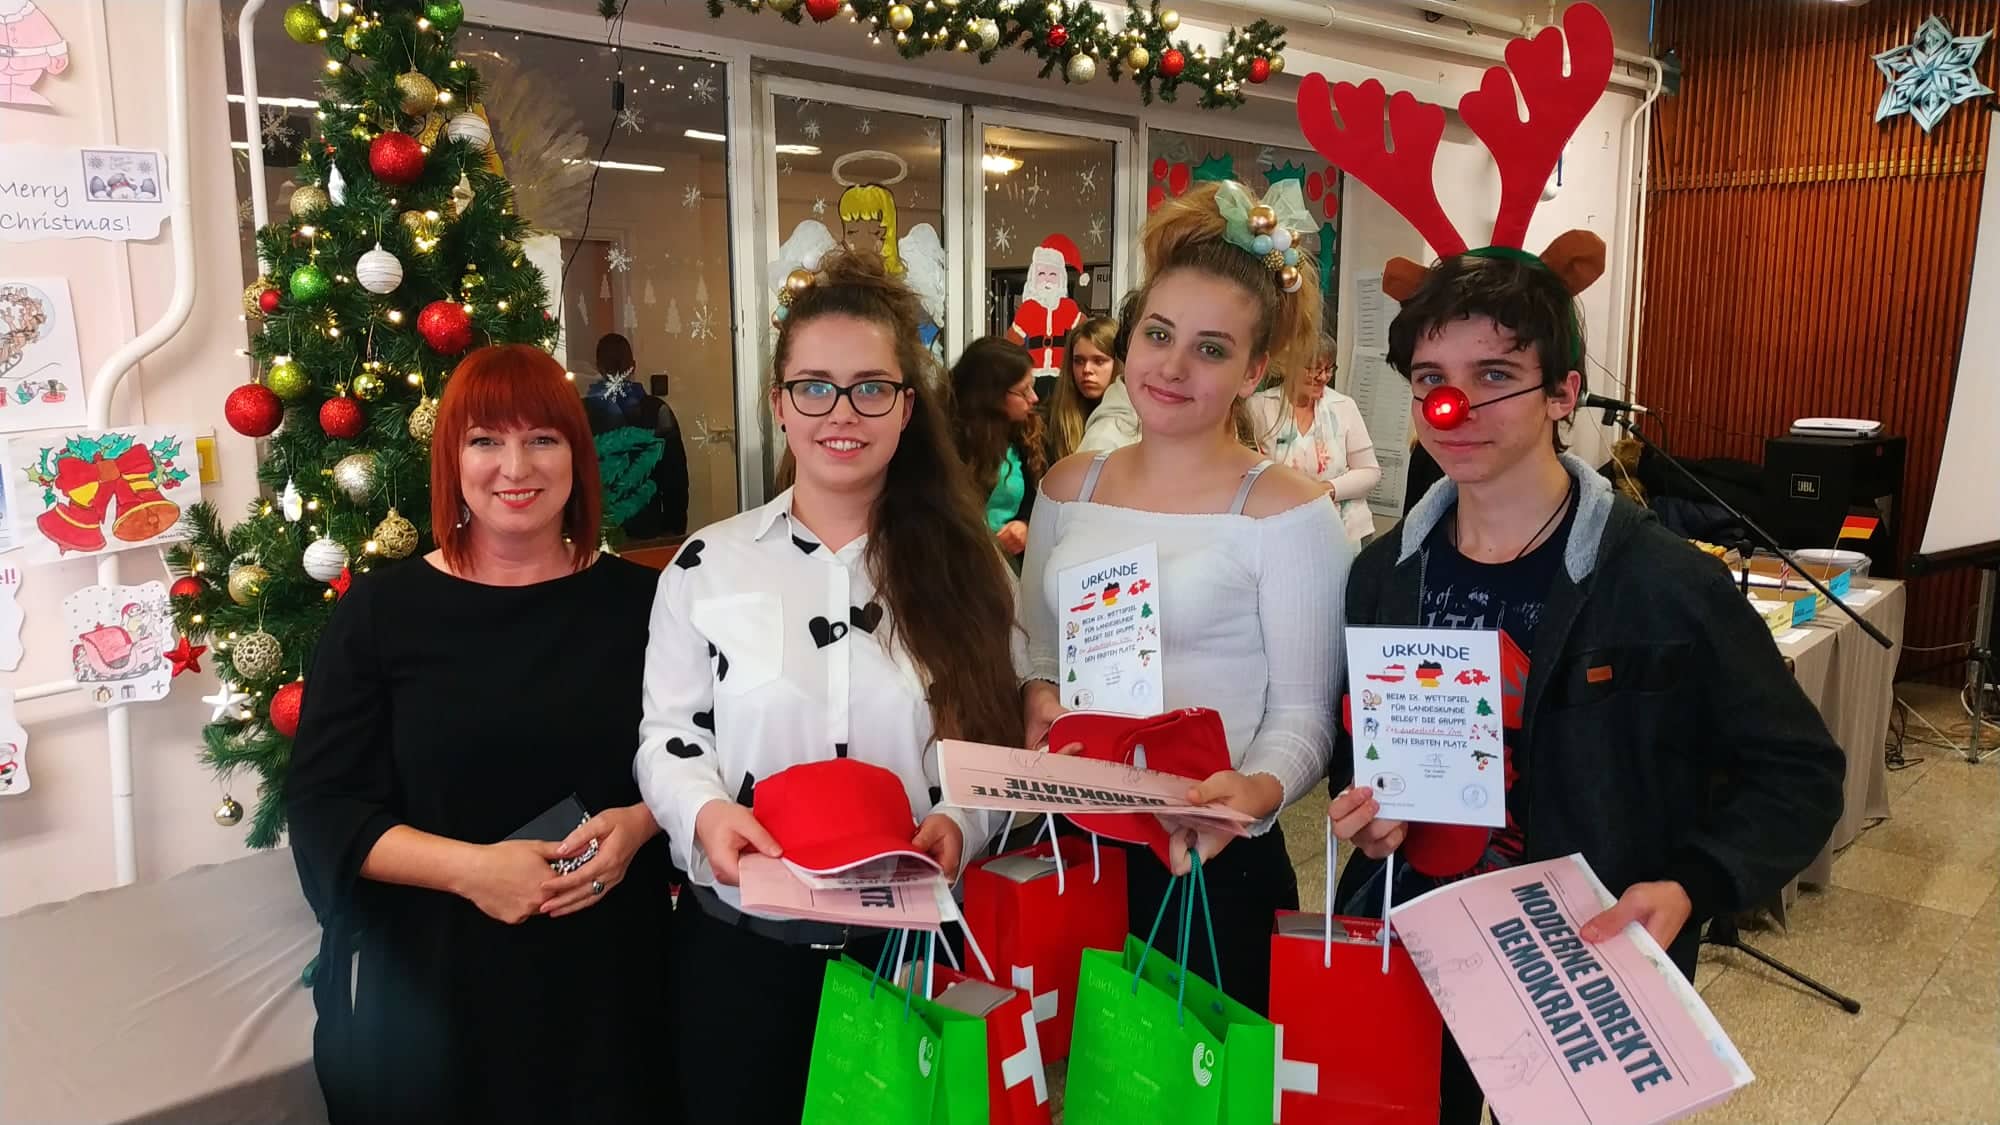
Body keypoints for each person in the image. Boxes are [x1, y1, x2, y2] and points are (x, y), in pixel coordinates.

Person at [1325, 250, 1844, 1124]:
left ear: (1564, 393)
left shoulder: (1665, 582)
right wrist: (1369, 815)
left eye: (1495, 375)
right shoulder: (1383, 575)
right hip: (1415, 939)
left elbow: (1799, 771)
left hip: (1585, 969)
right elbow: (1365, 748)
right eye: (1431, 379)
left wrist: (1693, 883)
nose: (1452, 407)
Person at [635, 248, 1021, 1122]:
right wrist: (706, 813)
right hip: (742, 953)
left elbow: (993, 740)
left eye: (869, 388)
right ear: (779, 403)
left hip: (909, 954)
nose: (841, 412)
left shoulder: (971, 570)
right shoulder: (708, 564)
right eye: (814, 387)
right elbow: (669, 736)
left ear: (906, 406)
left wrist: (963, 823)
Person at [285, 344, 674, 1123]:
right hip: (435, 994)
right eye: (485, 440)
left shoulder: (648, 603)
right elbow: (326, 808)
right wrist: (474, 872)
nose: (514, 466)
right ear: (451, 461)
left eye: (542, 438)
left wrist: (641, 823)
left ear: (577, 455)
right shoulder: (380, 614)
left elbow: (704, 760)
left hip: (610, 990)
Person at [1019, 182, 1349, 1012]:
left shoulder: (1288, 511)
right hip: (1077, 840)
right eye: (1158, 334)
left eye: (1210, 348)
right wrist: (1039, 695)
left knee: (1194, 1071)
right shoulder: (1068, 486)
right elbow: (1037, 646)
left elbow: (1306, 713)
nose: (1171, 367)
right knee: (1063, 1067)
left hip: (1211, 852)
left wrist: (1256, 790)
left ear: (1253, 370)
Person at [1245, 333, 1381, 545]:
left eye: (1329, 368)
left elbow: (1370, 472)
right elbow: (1246, 473)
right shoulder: (1259, 407)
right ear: (1288, 366)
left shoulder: (1343, 406)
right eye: (1313, 368)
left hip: (1346, 532)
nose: (1323, 376)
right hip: (1281, 532)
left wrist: (1326, 489)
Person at [951, 335, 1045, 560]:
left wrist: (1025, 525)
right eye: (1023, 390)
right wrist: (988, 544)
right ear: (991, 396)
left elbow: (1037, 501)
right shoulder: (946, 445)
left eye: (1032, 386)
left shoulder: (1026, 433)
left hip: (1011, 565)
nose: (1034, 397)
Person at [1042, 314, 1118, 462]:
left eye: (1099, 361)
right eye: (1079, 361)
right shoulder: (1050, 421)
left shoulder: (1135, 420)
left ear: (1118, 363)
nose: (1087, 369)